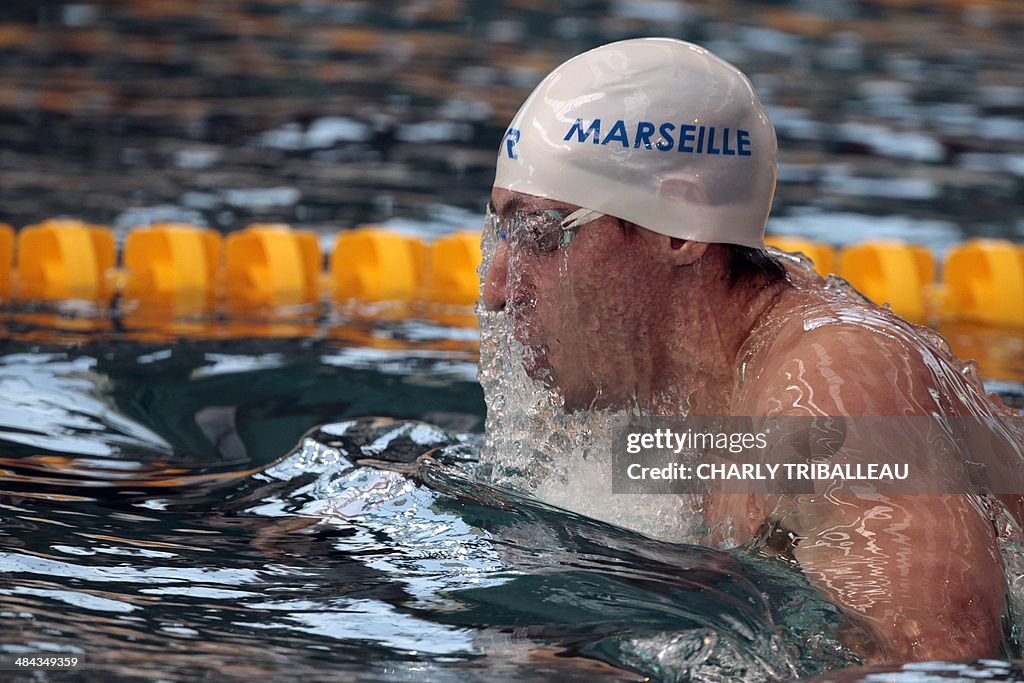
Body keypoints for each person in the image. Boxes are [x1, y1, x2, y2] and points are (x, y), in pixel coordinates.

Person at [479, 37, 1024, 664]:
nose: (498, 288)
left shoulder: (832, 387)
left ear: (681, 229)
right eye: (500, 231)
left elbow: (936, 664)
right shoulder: (675, 395)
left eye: (540, 235)